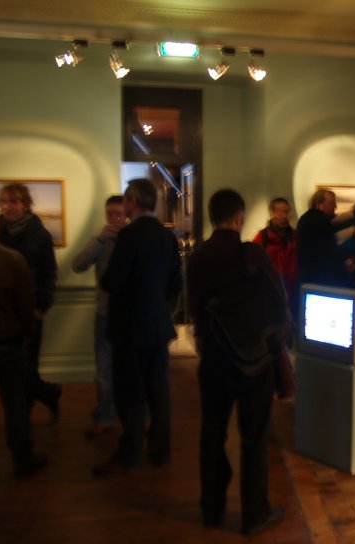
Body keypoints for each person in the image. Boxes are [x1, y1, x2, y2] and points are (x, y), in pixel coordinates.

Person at [187, 189, 284, 533]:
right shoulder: (253, 254)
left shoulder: (198, 258)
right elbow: (277, 305)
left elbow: (195, 310)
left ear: (212, 217)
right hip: (253, 362)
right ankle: (254, 515)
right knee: (254, 438)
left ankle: (211, 510)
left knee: (212, 434)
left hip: (214, 361)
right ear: (240, 217)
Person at [93, 179, 182, 476]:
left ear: (132, 201)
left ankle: (130, 452)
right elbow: (175, 285)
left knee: (129, 392)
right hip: (157, 326)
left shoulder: (129, 236)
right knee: (158, 390)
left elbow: (112, 281)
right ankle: (161, 451)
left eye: (126, 200)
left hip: (129, 327)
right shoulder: (167, 237)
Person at [0, 196, 47, 477]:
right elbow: (25, 305)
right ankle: (22, 457)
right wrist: (26, 333)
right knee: (15, 405)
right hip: (8, 344)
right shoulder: (11, 259)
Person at [0, 183, 61, 422]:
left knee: (27, 365)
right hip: (1, 311)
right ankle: (47, 394)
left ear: (25, 204)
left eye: (13, 201)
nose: (8, 207)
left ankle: (23, 416)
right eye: (4, 202)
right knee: (9, 368)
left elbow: (49, 275)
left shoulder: (39, 235)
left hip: (29, 310)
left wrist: (40, 308)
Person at [71, 195, 127, 437]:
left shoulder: (133, 240)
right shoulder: (100, 241)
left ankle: (138, 416)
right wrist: (100, 240)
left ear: (127, 215)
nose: (114, 218)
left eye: (118, 214)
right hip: (105, 314)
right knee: (104, 371)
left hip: (129, 316)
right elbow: (78, 265)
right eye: (110, 214)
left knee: (132, 369)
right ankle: (105, 417)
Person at [297, 189, 355, 288]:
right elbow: (336, 227)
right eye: (331, 203)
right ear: (319, 204)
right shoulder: (316, 220)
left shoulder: (312, 219)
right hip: (318, 280)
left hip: (313, 278)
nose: (335, 207)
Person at [252, 197, 298, 317]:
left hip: (293, 293)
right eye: (280, 212)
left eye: (287, 212)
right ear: (272, 213)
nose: (284, 216)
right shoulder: (262, 238)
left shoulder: (295, 236)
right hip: (271, 294)